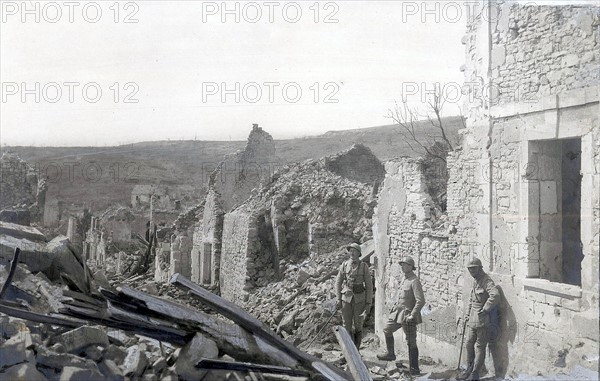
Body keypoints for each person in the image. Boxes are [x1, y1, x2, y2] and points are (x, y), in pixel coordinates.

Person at [377, 256, 425, 376]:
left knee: (411, 342)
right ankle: (390, 353)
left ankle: (415, 369)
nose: (402, 267)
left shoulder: (414, 281)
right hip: (398, 313)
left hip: (408, 315)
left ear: (410, 267)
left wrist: (413, 315)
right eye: (402, 265)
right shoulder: (404, 279)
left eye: (404, 265)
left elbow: (420, 301)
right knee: (387, 330)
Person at [458, 258, 500, 381]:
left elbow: (495, 295)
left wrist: (486, 308)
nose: (472, 271)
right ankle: (468, 369)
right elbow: (472, 299)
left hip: (483, 319)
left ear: (480, 268)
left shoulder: (486, 281)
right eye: (470, 269)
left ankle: (475, 374)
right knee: (468, 343)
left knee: (480, 346)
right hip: (472, 318)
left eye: (474, 269)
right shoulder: (475, 281)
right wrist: (466, 314)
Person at [336, 243, 373, 348]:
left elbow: (369, 286)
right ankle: (348, 351)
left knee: (358, 325)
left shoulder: (364, 266)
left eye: (354, 251)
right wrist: (338, 298)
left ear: (359, 253)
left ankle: (356, 351)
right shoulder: (344, 265)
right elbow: (338, 282)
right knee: (346, 325)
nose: (352, 253)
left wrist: (368, 303)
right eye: (350, 251)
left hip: (359, 300)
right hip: (346, 299)